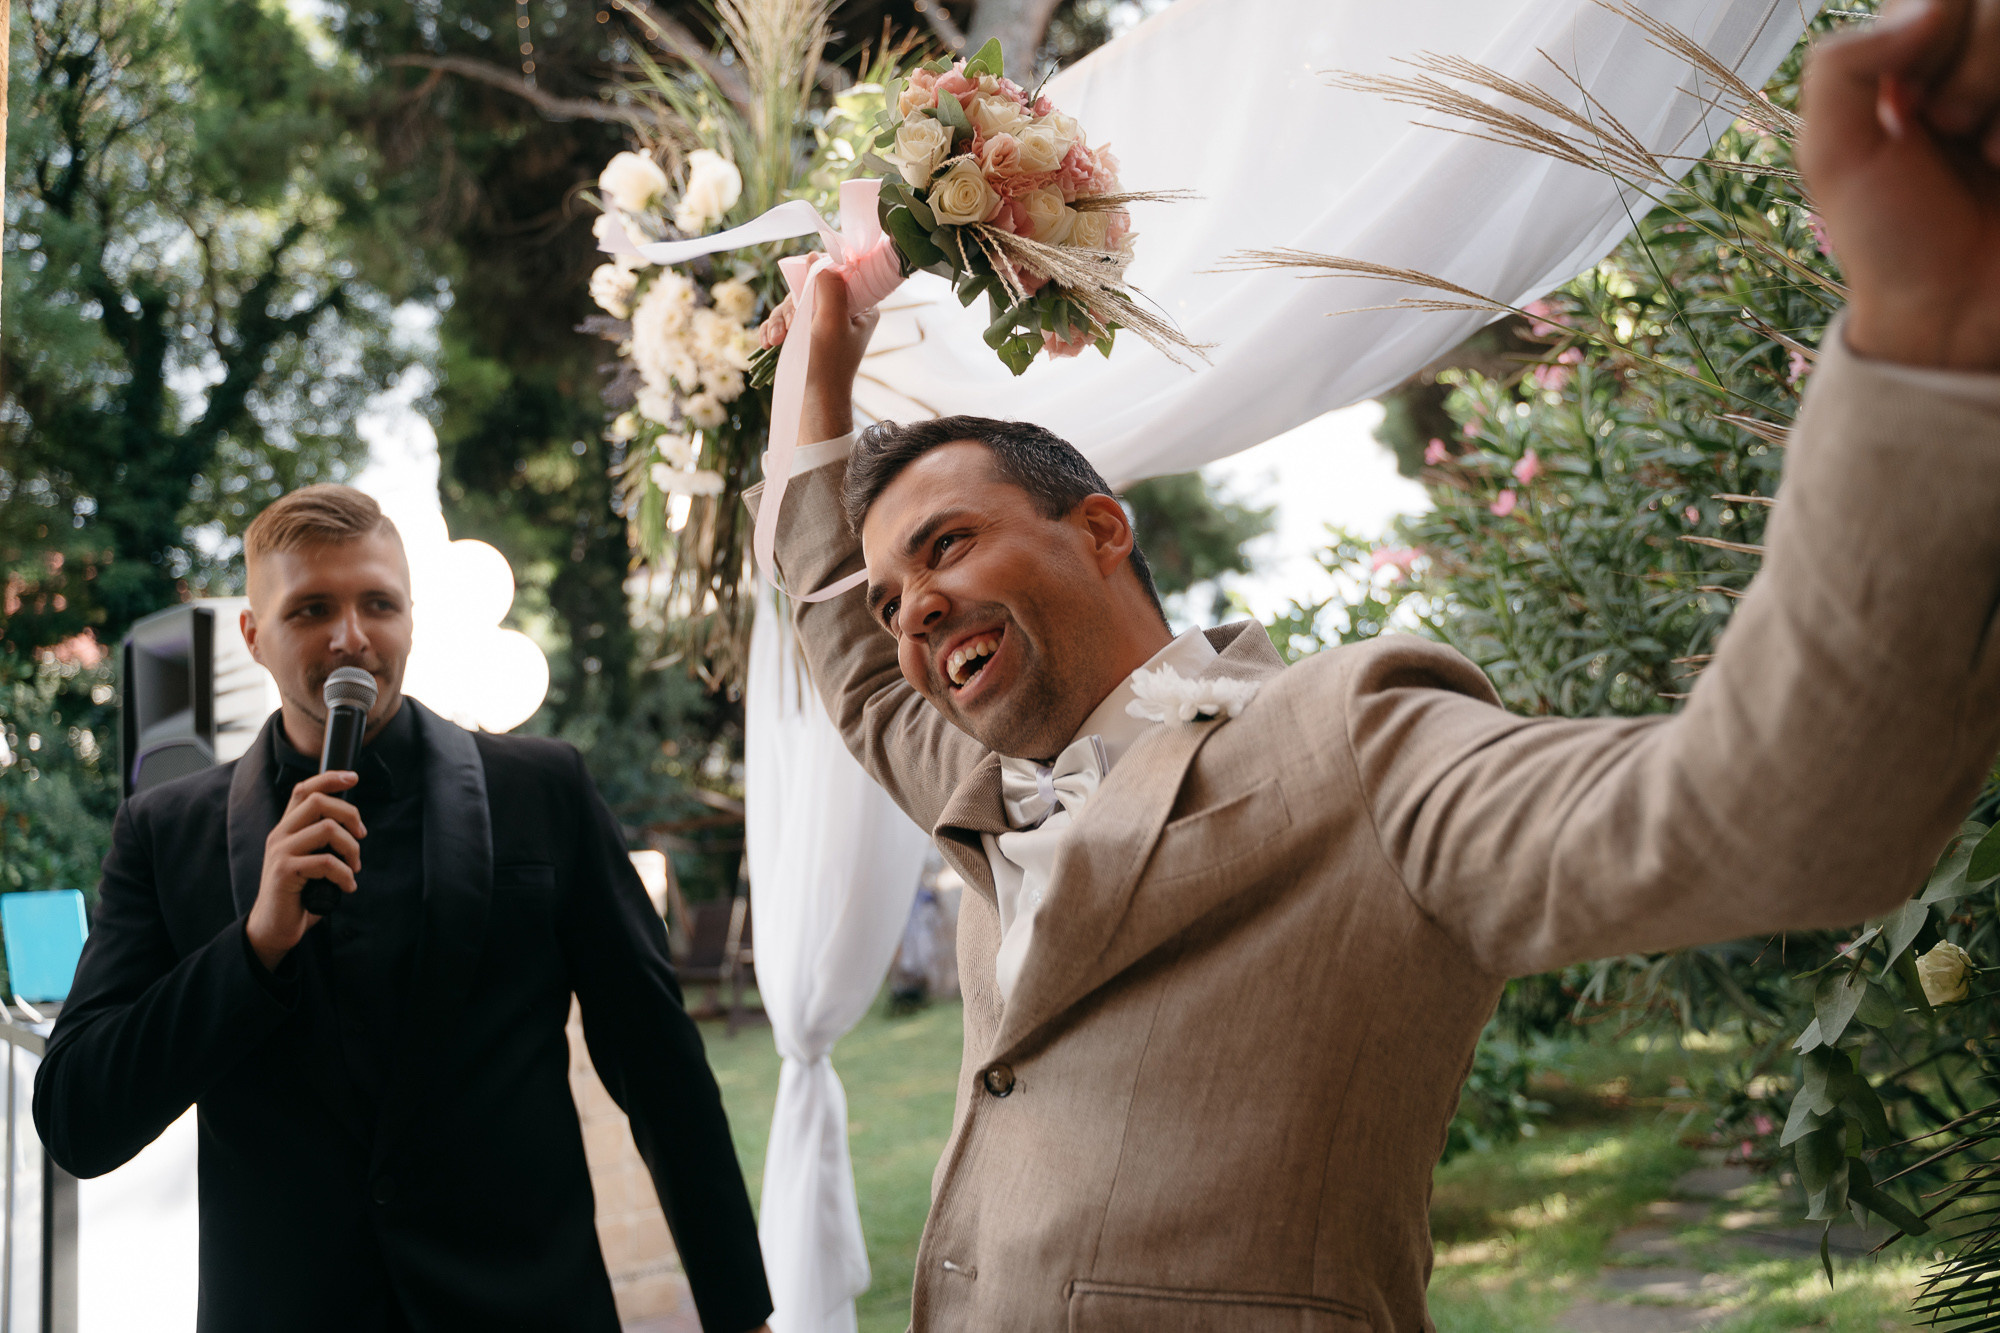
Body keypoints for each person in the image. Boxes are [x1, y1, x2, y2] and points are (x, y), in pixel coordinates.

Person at [753, 3, 2000, 1328]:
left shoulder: (1352, 739)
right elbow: (833, 615)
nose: (913, 611)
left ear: (1103, 526)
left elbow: (1765, 816)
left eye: (947, 544)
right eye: (896, 596)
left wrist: (1929, 329)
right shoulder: (987, 798)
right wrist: (821, 348)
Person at [35, 486, 773, 1333]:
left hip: (526, 1310)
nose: (351, 634)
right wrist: (252, 948)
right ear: (254, 636)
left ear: (411, 618)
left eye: (377, 603)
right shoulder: (164, 833)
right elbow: (78, 1120)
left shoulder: (542, 789)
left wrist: (738, 1309)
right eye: (311, 608)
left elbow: (661, 1067)